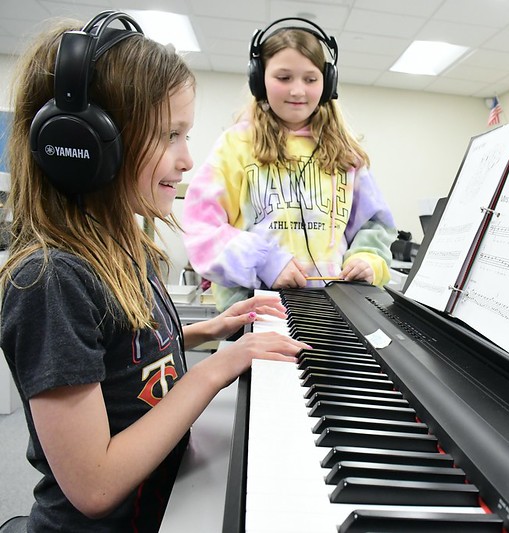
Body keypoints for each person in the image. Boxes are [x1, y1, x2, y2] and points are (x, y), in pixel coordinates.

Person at [0, 12, 310, 532]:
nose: (188, 159)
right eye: (170, 135)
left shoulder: (125, 248)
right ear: (84, 143)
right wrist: (215, 368)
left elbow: (122, 360)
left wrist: (209, 330)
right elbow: (95, 485)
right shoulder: (51, 280)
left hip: (163, 505)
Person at [182, 18, 396, 311]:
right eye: (284, 78)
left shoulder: (347, 155)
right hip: (255, 312)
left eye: (310, 79)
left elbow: (374, 226)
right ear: (258, 79)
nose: (298, 91)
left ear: (327, 82)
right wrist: (266, 262)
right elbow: (201, 231)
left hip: (332, 313)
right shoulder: (236, 145)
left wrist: (368, 260)